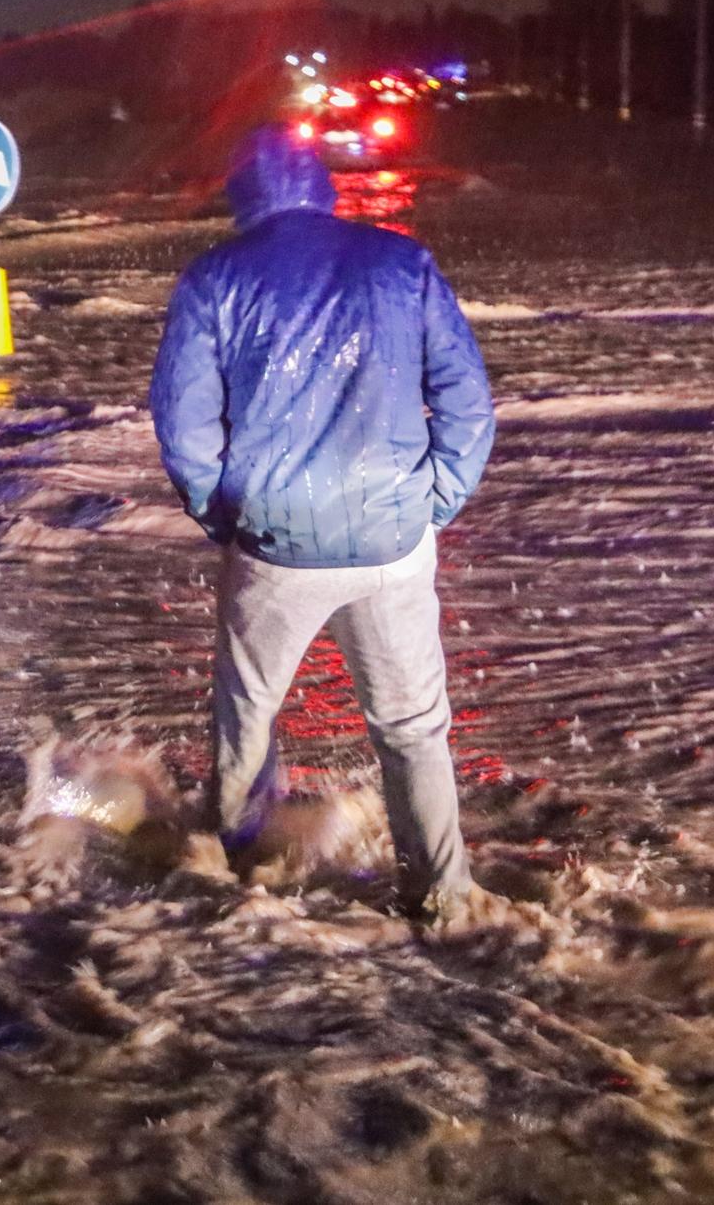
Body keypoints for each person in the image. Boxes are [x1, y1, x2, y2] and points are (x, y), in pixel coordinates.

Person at [148, 126, 496, 925]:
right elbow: (468, 404)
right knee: (413, 727)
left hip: (275, 542)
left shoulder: (214, 279)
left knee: (248, 711)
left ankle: (241, 875)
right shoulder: (401, 263)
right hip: (394, 539)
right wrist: (432, 501)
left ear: (242, 196)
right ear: (323, 186)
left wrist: (224, 516)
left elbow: (185, 426)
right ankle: (442, 893)